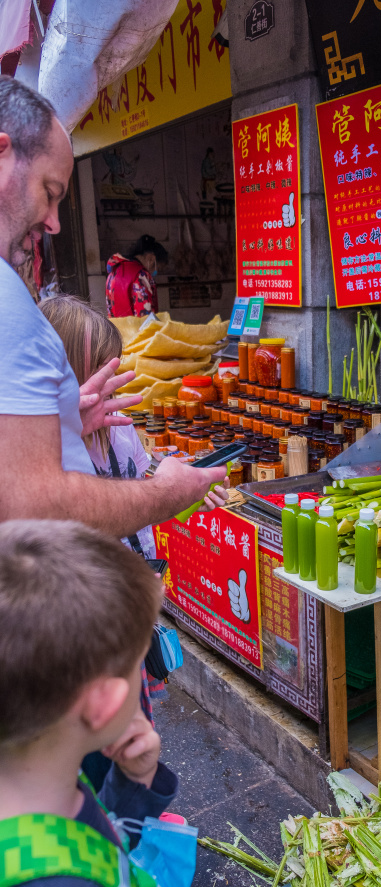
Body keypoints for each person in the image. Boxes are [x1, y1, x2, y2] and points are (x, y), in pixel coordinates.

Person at [0, 520, 226, 887]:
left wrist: (133, 785)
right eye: (140, 660)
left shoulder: (36, 783)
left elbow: (84, 837)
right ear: (105, 703)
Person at [0, 76, 227, 538]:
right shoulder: (9, 306)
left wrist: (66, 424)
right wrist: (167, 493)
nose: (54, 223)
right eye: (50, 191)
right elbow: (35, 508)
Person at [40, 293, 156, 559]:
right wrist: (66, 429)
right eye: (99, 367)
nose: (111, 380)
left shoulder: (119, 425)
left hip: (134, 575)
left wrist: (185, 496)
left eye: (113, 365)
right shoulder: (37, 439)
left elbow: (141, 495)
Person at [106, 233, 168, 318]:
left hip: (117, 329)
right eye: (158, 268)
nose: (155, 272)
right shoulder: (140, 275)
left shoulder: (113, 272)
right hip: (135, 330)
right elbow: (145, 316)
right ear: (151, 258)